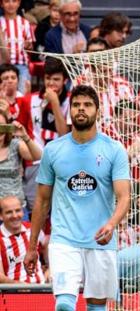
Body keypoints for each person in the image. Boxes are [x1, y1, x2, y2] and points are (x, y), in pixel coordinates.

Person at [24, 84, 131, 311]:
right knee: (64, 304)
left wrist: (112, 223)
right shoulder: (54, 151)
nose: (81, 109)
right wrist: (33, 247)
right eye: (77, 105)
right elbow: (42, 201)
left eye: (87, 105)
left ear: (98, 110)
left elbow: (124, 196)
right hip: (64, 241)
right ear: (70, 111)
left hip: (100, 243)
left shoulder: (113, 150)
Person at [17, 57, 70, 213]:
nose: (51, 83)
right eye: (48, 78)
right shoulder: (29, 100)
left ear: (65, 80)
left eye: (56, 79)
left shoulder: (70, 101)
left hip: (61, 163)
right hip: (36, 164)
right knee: (38, 211)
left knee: (60, 211)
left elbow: (64, 133)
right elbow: (20, 133)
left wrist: (54, 103)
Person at [0, 110, 41, 209]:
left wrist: (25, 136)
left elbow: (38, 156)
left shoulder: (15, 144)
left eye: (2, 126)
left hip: (16, 210)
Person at [0, 195, 45, 283]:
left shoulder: (33, 229)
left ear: (23, 212)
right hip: (15, 293)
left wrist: (50, 269)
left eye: (18, 210)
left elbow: (51, 248)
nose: (15, 215)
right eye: (9, 212)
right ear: (1, 216)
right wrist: (19, 285)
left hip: (42, 289)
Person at [0, 0, 33, 94]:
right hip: (1, 66)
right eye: (7, 1)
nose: (11, 4)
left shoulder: (25, 23)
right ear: (1, 4)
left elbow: (31, 49)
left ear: (19, 3)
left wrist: (28, 46)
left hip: (21, 65)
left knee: (23, 93)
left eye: (14, 1)